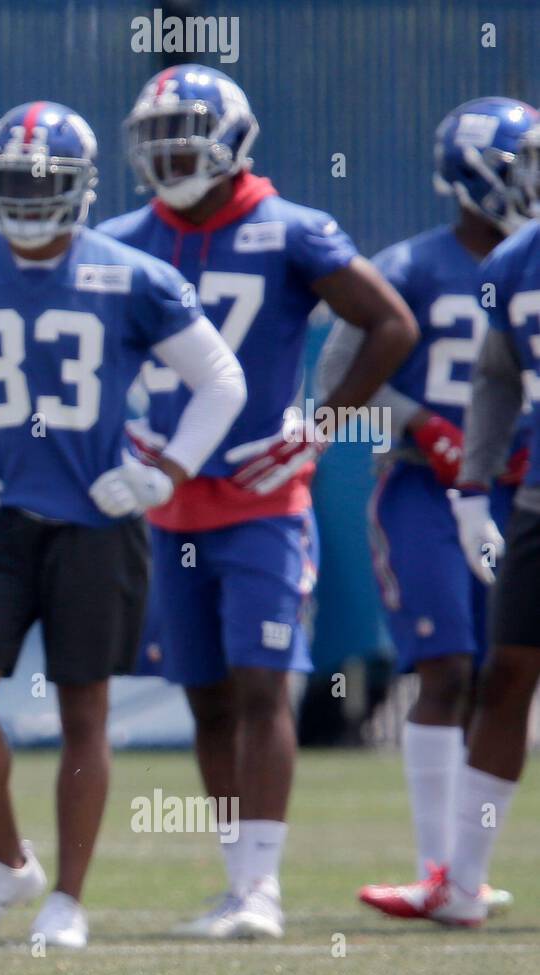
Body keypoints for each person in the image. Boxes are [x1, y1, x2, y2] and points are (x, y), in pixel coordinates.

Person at [0, 100, 248, 947]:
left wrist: (164, 475)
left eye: (41, 183)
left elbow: (221, 380)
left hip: (97, 518)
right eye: (13, 182)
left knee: (86, 706)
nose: (27, 198)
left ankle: (69, 900)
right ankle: (12, 866)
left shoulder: (132, 274)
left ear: (82, 189)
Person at [100, 65, 417, 938]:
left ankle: (262, 888)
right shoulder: (126, 238)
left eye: (183, 136)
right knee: (203, 691)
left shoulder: (291, 231)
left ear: (234, 139)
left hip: (263, 497)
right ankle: (236, 875)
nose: (167, 155)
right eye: (155, 139)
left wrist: (320, 428)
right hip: (170, 497)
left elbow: (390, 321)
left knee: (262, 683)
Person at [317, 98, 537, 918]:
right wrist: (422, 426)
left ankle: (465, 874)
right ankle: (438, 863)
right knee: (445, 667)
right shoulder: (406, 265)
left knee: (504, 671)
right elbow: (339, 386)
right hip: (422, 486)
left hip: (524, 488)